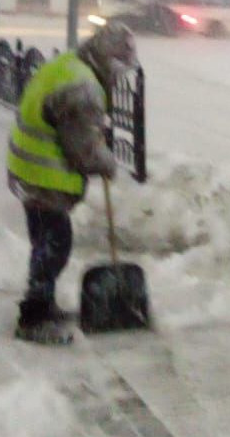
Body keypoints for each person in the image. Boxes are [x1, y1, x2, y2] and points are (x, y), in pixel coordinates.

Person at [7, 22, 138, 342]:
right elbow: (83, 149)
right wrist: (105, 161)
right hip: (44, 175)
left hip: (28, 168)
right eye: (121, 69)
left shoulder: (71, 66)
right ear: (110, 62)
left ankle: (43, 302)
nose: (122, 78)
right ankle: (33, 317)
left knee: (45, 242)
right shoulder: (84, 88)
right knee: (55, 243)